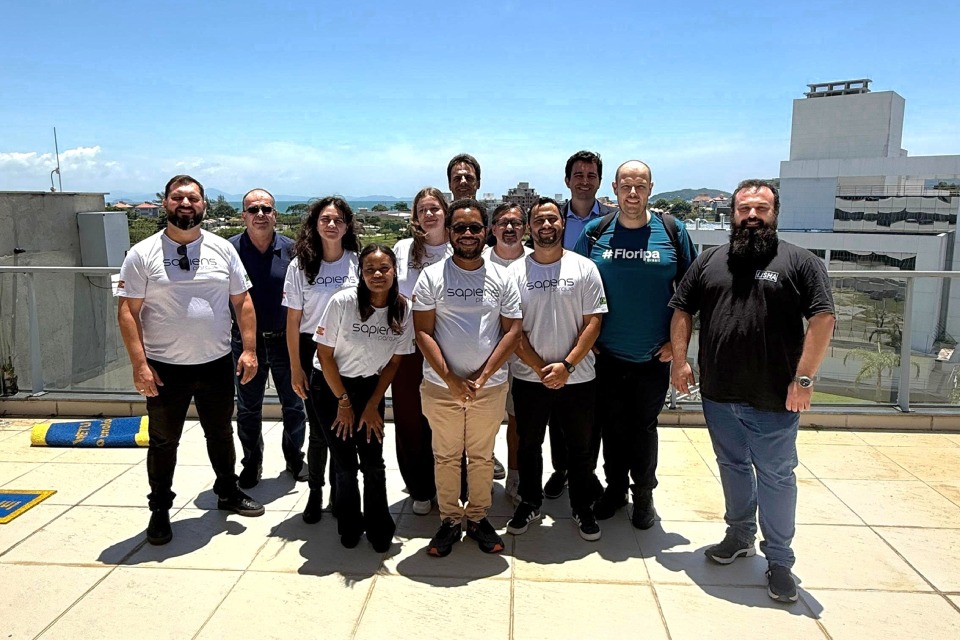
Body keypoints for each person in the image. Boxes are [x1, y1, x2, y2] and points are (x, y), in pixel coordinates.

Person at [669, 179, 835, 604]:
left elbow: (823, 319)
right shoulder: (710, 260)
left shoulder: (801, 262)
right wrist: (681, 360)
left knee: (776, 477)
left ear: (775, 213)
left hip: (774, 398)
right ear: (733, 214)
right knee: (732, 466)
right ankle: (739, 535)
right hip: (718, 393)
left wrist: (804, 379)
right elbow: (682, 308)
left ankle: (779, 561)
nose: (752, 216)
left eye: (761, 208)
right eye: (744, 209)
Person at [117, 175, 264, 547]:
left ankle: (227, 491)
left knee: (221, 433)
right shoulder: (142, 253)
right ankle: (159, 509)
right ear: (165, 203)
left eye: (193, 198)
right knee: (163, 442)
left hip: (216, 362)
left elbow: (242, 301)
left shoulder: (222, 249)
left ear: (204, 205)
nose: (186, 204)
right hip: (164, 367)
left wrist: (249, 350)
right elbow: (128, 311)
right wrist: (139, 364)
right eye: (178, 197)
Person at [574, 160, 696, 529]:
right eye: (625, 186)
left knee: (643, 428)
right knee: (612, 427)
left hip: (653, 356)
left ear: (650, 189)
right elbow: (573, 286)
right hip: (606, 355)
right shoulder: (596, 232)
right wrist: (584, 341)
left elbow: (692, 293)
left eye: (640, 186)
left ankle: (643, 495)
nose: (632, 193)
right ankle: (615, 491)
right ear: (613, 188)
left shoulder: (672, 231)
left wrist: (677, 347)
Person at [413, 198, 522, 557]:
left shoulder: (502, 277)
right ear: (449, 232)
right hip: (440, 386)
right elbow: (423, 332)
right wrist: (452, 380)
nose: (468, 234)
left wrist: (481, 377)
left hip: (488, 388)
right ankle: (449, 520)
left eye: (475, 227)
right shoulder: (432, 276)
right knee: (445, 456)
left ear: (485, 231)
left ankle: (476, 518)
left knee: (481, 456)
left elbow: (512, 332)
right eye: (460, 227)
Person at [506, 197, 608, 541]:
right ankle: (530, 501)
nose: (546, 226)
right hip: (529, 378)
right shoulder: (514, 273)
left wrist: (566, 365)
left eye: (552, 219)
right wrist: (540, 369)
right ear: (529, 227)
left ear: (562, 223)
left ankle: (581, 506)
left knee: (580, 447)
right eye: (539, 220)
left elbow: (593, 322)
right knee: (528, 444)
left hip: (578, 377)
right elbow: (512, 330)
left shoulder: (584, 268)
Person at [313, 244, 415, 552]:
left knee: (373, 462)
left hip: (370, 387)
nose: (377, 274)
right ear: (361, 273)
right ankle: (349, 523)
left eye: (384, 268)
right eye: (370, 269)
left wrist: (372, 404)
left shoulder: (403, 308)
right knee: (345, 463)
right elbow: (324, 355)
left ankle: (379, 525)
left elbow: (394, 362)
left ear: (394, 271)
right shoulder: (342, 302)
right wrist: (343, 402)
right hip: (331, 387)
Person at [545, 150, 617, 501]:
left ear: (600, 181)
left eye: (591, 175)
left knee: (593, 412)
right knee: (557, 409)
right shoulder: (552, 220)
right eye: (578, 174)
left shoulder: (614, 220)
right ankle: (561, 469)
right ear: (567, 180)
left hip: (600, 326)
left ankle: (584, 472)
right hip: (560, 326)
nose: (584, 181)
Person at [284, 196, 360, 523]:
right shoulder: (300, 266)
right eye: (325, 219)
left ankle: (340, 494)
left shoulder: (358, 262)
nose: (331, 225)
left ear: (347, 226)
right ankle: (315, 492)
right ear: (315, 224)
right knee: (318, 432)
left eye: (338, 220)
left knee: (344, 430)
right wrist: (295, 368)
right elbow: (292, 321)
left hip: (350, 351)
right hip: (311, 349)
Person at [229, 188, 306, 489]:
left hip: (286, 341)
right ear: (243, 216)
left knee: (294, 404)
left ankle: (295, 458)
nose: (260, 214)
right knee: (248, 407)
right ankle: (252, 463)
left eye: (266, 209)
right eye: (253, 210)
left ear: (275, 214)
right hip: (246, 343)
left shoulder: (293, 250)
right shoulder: (229, 250)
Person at [391, 187, 451, 515]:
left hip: (450, 346)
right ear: (415, 216)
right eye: (422, 210)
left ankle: (451, 485)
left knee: (448, 420)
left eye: (435, 208)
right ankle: (420, 488)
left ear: (445, 212)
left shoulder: (459, 247)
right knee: (410, 419)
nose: (429, 214)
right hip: (408, 348)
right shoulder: (402, 249)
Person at [482, 203, 533, 502]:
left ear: (525, 228)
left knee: (517, 422)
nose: (509, 228)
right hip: (484, 357)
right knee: (484, 422)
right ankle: (482, 472)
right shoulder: (478, 260)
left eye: (516, 223)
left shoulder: (537, 260)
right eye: (503, 222)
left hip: (525, 358)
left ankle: (515, 478)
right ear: (493, 228)